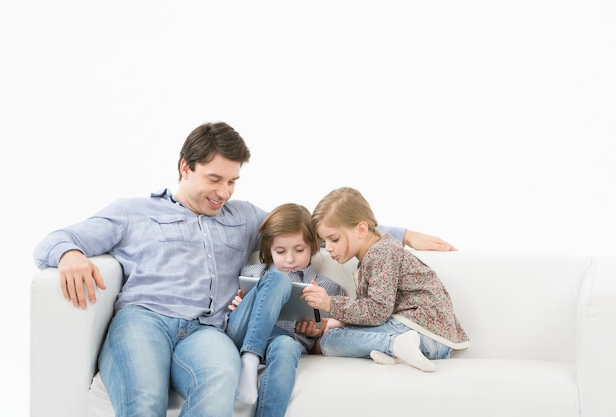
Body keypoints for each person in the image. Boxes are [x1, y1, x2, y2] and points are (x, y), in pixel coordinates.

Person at [33, 122, 458, 417]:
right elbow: (51, 241)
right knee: (144, 402)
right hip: (144, 319)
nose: (224, 192)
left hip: (207, 331)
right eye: (215, 179)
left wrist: (397, 233)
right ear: (186, 167)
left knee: (220, 386)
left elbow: (310, 224)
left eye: (233, 182)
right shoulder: (132, 212)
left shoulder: (242, 217)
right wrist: (70, 254)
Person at [302, 187, 470, 372]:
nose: (330, 248)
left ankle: (393, 344)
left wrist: (330, 304)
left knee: (330, 341)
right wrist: (340, 321)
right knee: (333, 334)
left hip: (425, 335)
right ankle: (398, 353)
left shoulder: (382, 253)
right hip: (423, 337)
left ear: (361, 229)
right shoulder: (376, 254)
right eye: (325, 241)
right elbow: (376, 309)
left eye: (334, 239)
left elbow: (377, 311)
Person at [228, 203, 349, 417]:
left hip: (283, 343)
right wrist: (239, 307)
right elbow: (231, 315)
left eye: (299, 250)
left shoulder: (327, 289)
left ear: (312, 247)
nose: (290, 259)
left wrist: (316, 331)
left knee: (286, 345)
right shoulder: (252, 273)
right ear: (269, 250)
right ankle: (249, 357)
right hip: (244, 333)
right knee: (276, 279)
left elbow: (328, 336)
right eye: (280, 251)